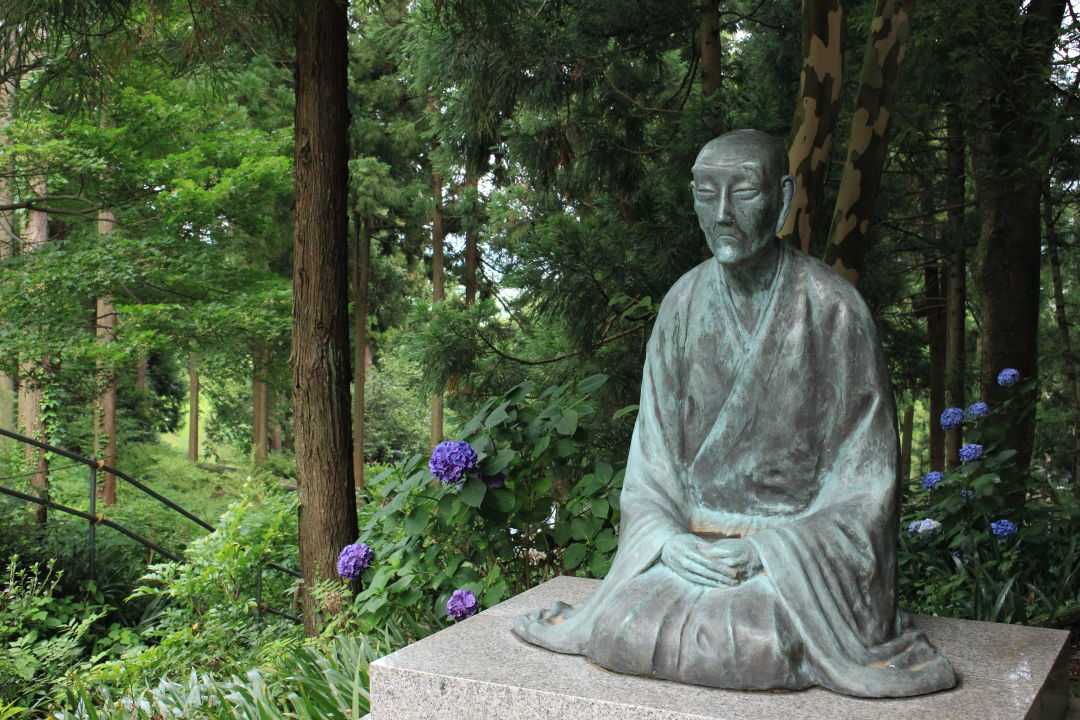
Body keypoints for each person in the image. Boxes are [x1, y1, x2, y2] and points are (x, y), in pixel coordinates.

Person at [511, 129, 957, 698]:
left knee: (750, 644)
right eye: (706, 192)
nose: (722, 212)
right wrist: (669, 542)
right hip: (688, 555)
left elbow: (863, 486)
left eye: (743, 191)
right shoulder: (681, 305)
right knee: (624, 628)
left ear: (783, 197)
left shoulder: (834, 309)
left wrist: (764, 550)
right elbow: (652, 466)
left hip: (792, 565)